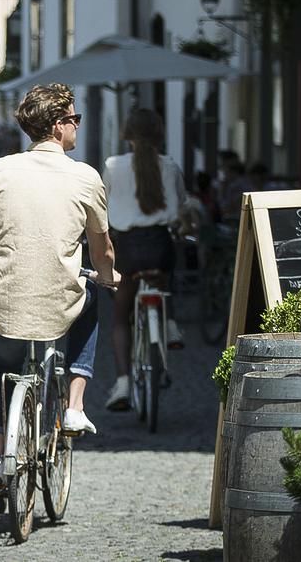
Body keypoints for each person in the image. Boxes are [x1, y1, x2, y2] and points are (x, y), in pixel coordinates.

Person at [0, 83, 118, 512]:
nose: (77, 126)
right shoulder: (85, 176)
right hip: (59, 300)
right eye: (75, 119)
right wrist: (107, 276)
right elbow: (101, 251)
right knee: (93, 297)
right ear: (59, 124)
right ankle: (75, 406)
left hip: (3, 298)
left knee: (3, 368)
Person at [101, 109, 186, 411]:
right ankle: (171, 324)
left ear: (127, 133)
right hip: (159, 244)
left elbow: (103, 206)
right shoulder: (170, 166)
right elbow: (180, 210)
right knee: (165, 275)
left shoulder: (113, 166)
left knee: (121, 317)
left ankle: (123, 383)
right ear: (159, 133)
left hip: (128, 248)